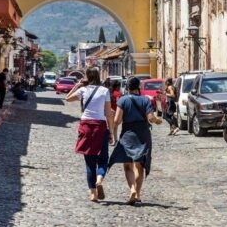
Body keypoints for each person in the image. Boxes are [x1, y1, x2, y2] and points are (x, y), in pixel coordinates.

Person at [108, 76, 162, 205]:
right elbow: (150, 118)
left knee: (127, 166)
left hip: (128, 134)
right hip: (142, 134)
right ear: (138, 87)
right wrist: (157, 120)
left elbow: (117, 121)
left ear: (127, 87)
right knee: (140, 165)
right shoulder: (145, 100)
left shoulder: (123, 100)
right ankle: (137, 193)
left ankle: (132, 189)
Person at [66, 68, 115, 202]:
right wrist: (111, 133)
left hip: (86, 126)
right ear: (99, 76)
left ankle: (93, 193)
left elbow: (67, 98)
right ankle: (99, 179)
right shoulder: (104, 91)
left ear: (87, 77)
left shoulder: (83, 90)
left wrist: (77, 85)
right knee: (103, 159)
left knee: (89, 162)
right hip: (100, 126)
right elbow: (108, 113)